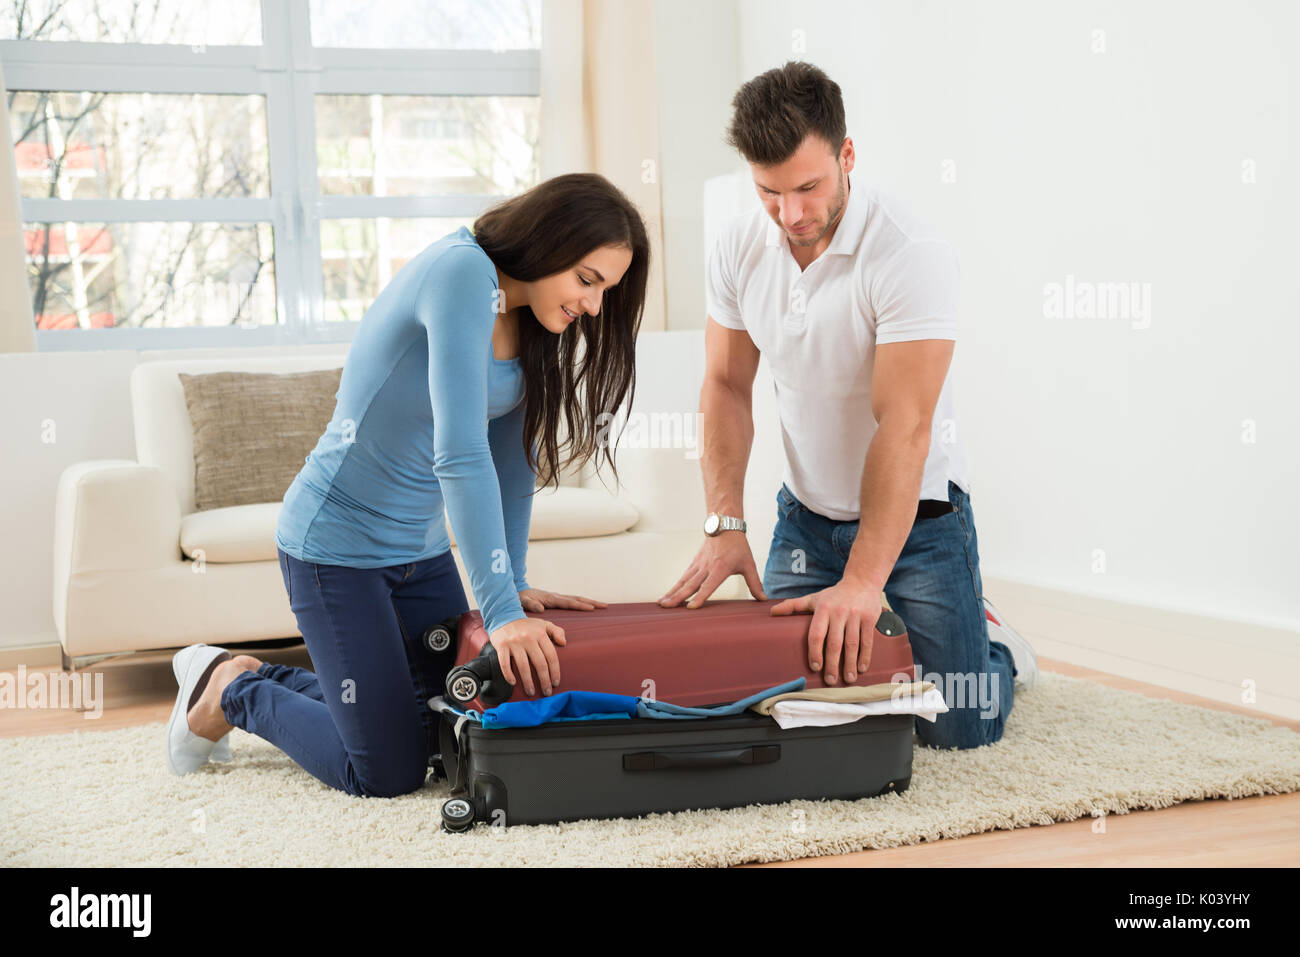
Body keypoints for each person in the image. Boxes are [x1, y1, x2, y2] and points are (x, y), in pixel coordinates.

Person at [166, 173, 650, 796]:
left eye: (605, 289)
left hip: (419, 556)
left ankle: (238, 671)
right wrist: (497, 614)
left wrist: (515, 585)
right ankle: (232, 691)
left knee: (449, 719)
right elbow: (460, 454)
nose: (593, 305)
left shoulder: (531, 316)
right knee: (386, 770)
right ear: (547, 241)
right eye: (587, 279)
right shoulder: (460, 273)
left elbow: (512, 466)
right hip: (335, 550)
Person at [658, 61, 1037, 750]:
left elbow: (908, 422)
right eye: (770, 192)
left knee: (956, 726)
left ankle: (998, 646)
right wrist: (724, 521)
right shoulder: (741, 245)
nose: (792, 213)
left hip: (919, 518)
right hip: (805, 518)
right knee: (781, 707)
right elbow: (725, 384)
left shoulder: (908, 251)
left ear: (847, 155)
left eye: (809, 186)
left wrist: (865, 579)